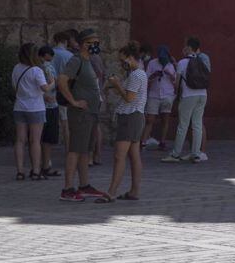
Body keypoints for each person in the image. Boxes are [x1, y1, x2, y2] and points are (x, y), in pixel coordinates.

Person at [57, 29, 107, 202]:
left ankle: (84, 185)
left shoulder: (89, 61)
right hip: (80, 114)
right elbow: (62, 81)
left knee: (85, 150)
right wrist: (74, 102)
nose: (95, 45)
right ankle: (68, 189)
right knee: (75, 150)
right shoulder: (76, 60)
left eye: (96, 41)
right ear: (82, 44)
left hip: (91, 112)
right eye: (91, 42)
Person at [95, 41, 147, 203]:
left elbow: (129, 98)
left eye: (123, 60)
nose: (121, 63)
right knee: (134, 155)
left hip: (130, 116)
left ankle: (112, 191)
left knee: (120, 156)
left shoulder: (136, 75)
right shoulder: (136, 74)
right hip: (135, 117)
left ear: (131, 58)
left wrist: (117, 85)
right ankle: (134, 191)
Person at [162, 37, 209, 163]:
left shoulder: (182, 62)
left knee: (183, 125)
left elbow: (177, 83)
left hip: (188, 95)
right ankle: (195, 153)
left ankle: (175, 154)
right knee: (197, 124)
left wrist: (175, 92)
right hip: (202, 94)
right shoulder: (201, 60)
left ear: (188, 48)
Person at [12, 42, 50, 181]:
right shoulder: (36, 71)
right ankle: (36, 171)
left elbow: (14, 86)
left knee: (20, 140)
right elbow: (45, 88)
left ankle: (20, 171)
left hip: (19, 106)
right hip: (35, 107)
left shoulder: (16, 68)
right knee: (35, 141)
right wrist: (52, 82)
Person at [142, 45, 176, 150]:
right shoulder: (152, 63)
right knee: (150, 119)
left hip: (167, 94)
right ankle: (143, 141)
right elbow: (146, 78)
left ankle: (162, 141)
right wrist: (154, 75)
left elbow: (175, 80)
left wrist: (169, 74)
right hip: (154, 95)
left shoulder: (171, 64)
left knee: (165, 119)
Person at [38, 45, 61, 178]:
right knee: (48, 138)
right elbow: (53, 83)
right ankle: (45, 165)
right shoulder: (47, 67)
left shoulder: (37, 67)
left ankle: (41, 165)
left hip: (42, 105)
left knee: (39, 138)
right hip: (50, 104)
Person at [51, 30, 76, 151]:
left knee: (48, 124)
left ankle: (46, 156)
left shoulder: (49, 53)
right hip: (64, 91)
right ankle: (68, 151)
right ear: (65, 41)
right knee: (66, 124)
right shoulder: (69, 56)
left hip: (49, 91)